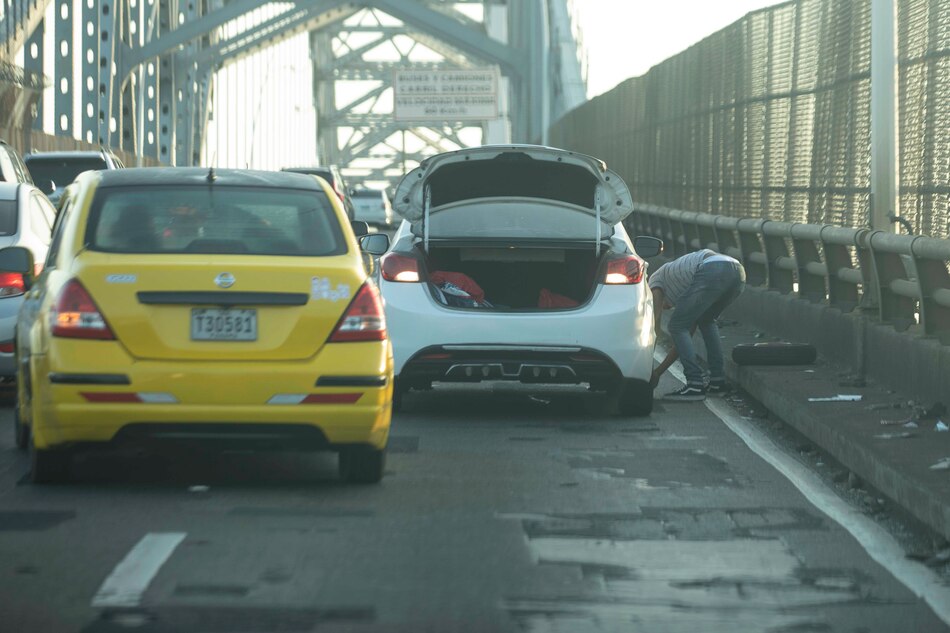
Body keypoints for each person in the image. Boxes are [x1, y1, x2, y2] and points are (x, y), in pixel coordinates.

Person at [649, 249, 746, 401]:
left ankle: (694, 384)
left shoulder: (654, 282)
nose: (667, 307)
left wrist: (649, 367)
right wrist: (658, 373)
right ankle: (717, 382)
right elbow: (685, 339)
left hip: (712, 269)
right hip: (737, 271)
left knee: (676, 326)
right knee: (706, 321)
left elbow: (654, 325)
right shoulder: (681, 283)